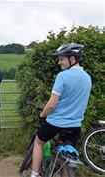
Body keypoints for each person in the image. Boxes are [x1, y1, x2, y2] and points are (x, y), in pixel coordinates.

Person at [30, 43, 92, 177]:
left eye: (61, 59)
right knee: (68, 156)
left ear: (73, 59)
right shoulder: (87, 78)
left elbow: (51, 105)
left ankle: (34, 175)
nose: (59, 62)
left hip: (55, 123)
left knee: (39, 142)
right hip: (75, 125)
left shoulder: (62, 76)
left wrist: (42, 115)